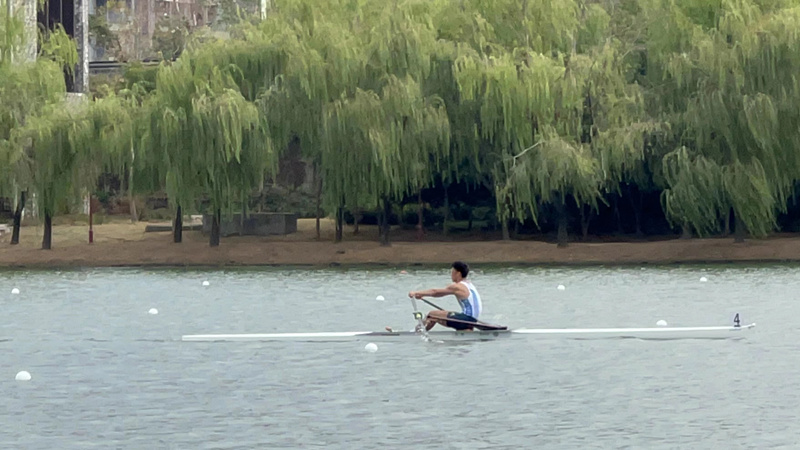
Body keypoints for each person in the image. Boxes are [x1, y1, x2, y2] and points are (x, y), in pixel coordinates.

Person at [407, 261, 482, 331]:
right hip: (473, 320)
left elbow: (435, 292)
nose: (451, 274)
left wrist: (416, 293)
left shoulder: (457, 286)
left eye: (452, 271)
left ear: (458, 273)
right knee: (441, 314)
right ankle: (467, 330)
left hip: (466, 319)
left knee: (432, 315)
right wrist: (421, 295)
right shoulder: (469, 284)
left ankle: (416, 333)